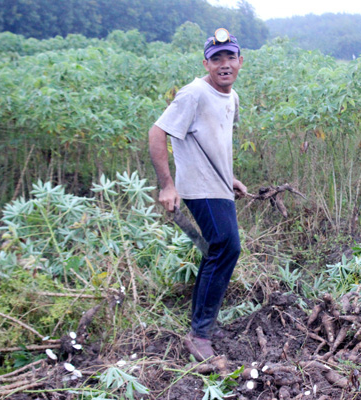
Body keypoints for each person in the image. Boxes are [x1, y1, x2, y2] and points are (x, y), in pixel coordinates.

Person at [148, 28, 247, 361]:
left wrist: (229, 177)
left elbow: (213, 141)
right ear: (206, 63)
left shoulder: (231, 97)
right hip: (198, 187)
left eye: (229, 57)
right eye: (216, 58)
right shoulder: (194, 94)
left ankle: (203, 325)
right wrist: (167, 185)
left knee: (218, 251)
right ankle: (199, 334)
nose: (224, 64)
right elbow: (157, 132)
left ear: (240, 62)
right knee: (226, 246)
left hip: (217, 186)